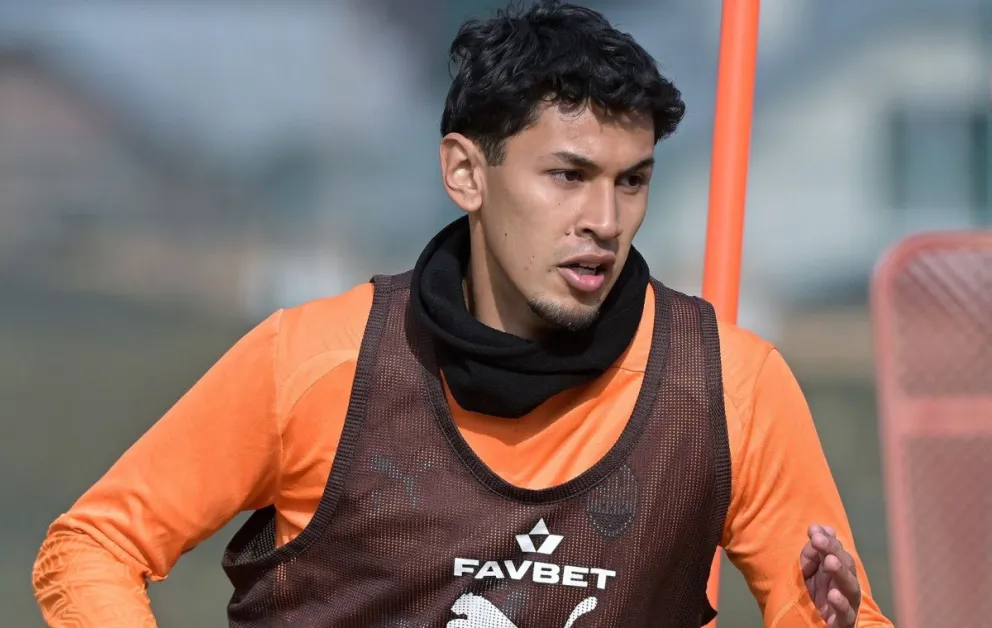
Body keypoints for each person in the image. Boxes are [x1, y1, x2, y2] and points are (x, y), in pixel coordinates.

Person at [32, 2, 894, 627]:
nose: (605, 218)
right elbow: (90, 549)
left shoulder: (729, 387)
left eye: (631, 180)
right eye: (567, 175)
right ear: (465, 174)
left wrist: (840, 625)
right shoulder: (316, 362)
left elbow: (821, 611)